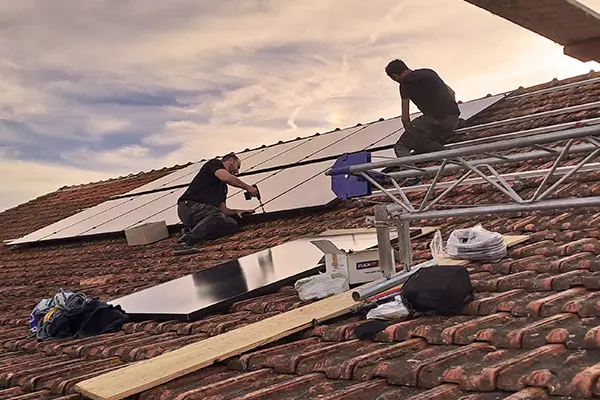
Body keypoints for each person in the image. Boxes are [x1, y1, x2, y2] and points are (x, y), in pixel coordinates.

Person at [384, 59, 462, 182]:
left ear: (394, 76)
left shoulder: (405, 84)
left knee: (401, 145)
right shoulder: (429, 72)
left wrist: (409, 131)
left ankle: (411, 175)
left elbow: (405, 117)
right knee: (422, 142)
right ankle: (451, 155)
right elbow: (451, 93)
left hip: (433, 119)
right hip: (453, 118)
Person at [174, 152, 258, 255]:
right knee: (216, 215)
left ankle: (192, 230)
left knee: (231, 225)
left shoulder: (223, 188)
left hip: (204, 214)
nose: (237, 170)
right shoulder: (214, 164)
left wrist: (237, 211)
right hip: (189, 207)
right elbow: (226, 178)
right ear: (230, 160)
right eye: (238, 166)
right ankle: (185, 242)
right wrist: (248, 187)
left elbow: (223, 209)